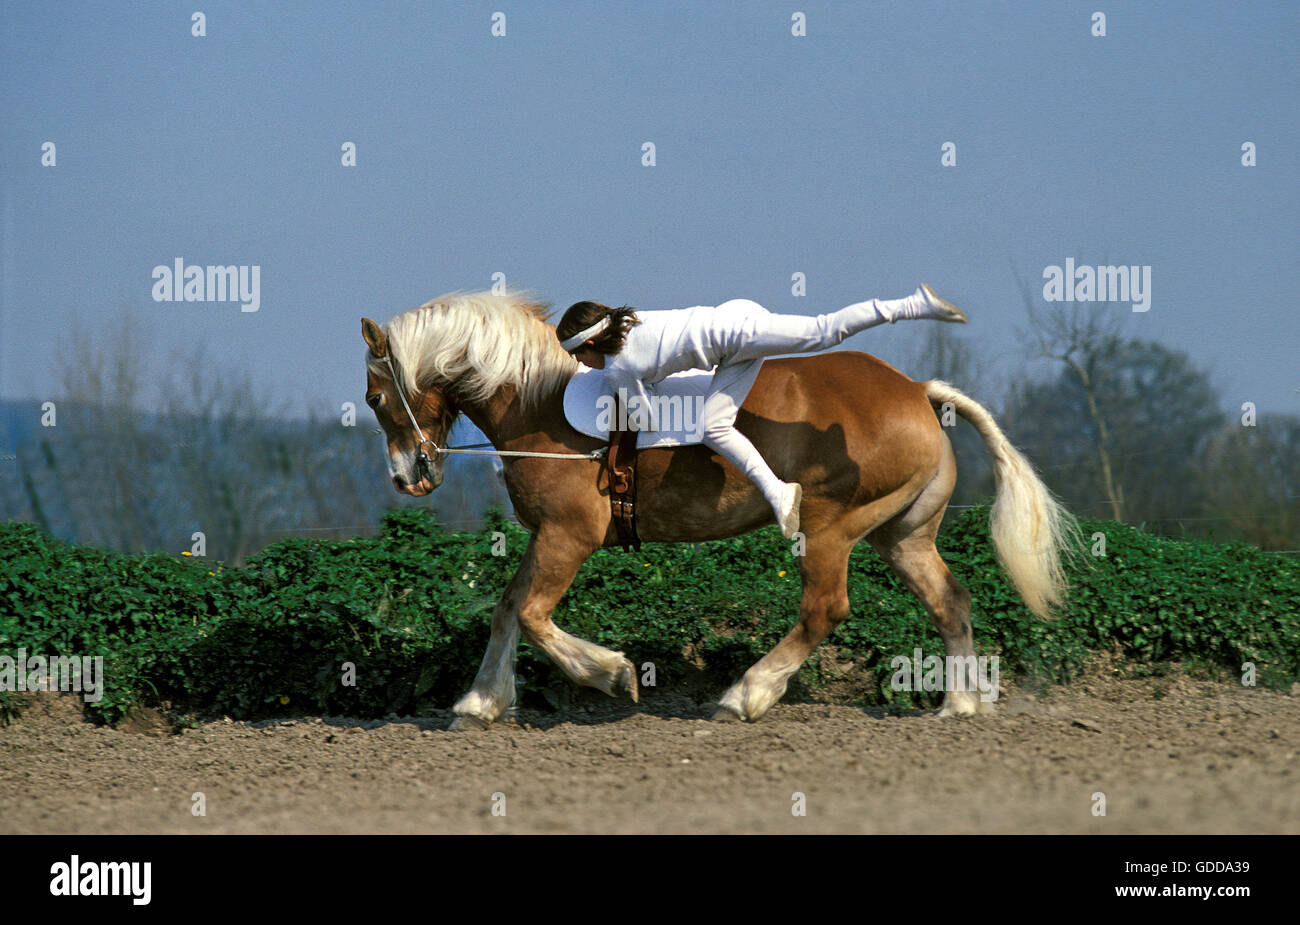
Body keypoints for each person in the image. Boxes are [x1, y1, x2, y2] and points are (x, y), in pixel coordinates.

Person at [555, 286, 966, 539]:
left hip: (739, 337)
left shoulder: (618, 369)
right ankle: (777, 492)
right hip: (731, 332)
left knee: (824, 331)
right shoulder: (630, 322)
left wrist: (629, 399)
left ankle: (912, 305)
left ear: (590, 346)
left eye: (578, 356)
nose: (582, 366)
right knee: (715, 426)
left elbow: (644, 419)